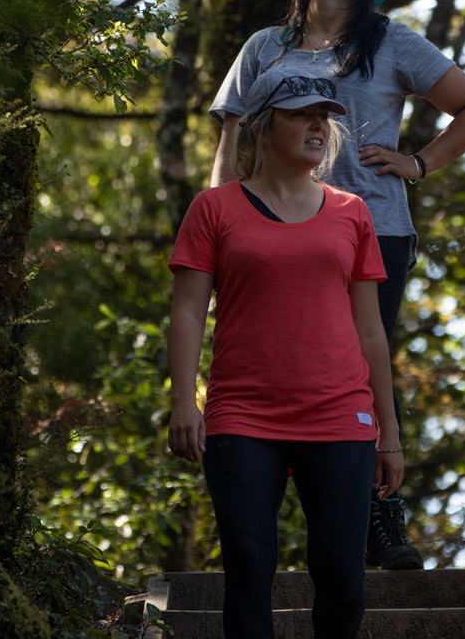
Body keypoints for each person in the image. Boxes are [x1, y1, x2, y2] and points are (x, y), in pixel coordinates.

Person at [209, 0, 465, 568]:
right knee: (271, 359)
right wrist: (222, 223)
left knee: (366, 362)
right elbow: (231, 138)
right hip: (272, 232)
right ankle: (262, 515)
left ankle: (379, 517)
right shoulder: (264, 47)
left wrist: (418, 162)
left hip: (373, 228)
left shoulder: (392, 43)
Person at [168, 66, 405, 639]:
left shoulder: (352, 211)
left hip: (340, 415)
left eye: (323, 117)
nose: (317, 126)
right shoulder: (214, 209)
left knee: (343, 574)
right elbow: (188, 313)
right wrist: (183, 403)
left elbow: (371, 331)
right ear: (263, 127)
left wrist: (389, 433)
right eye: (301, 115)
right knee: (249, 565)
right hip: (243, 416)